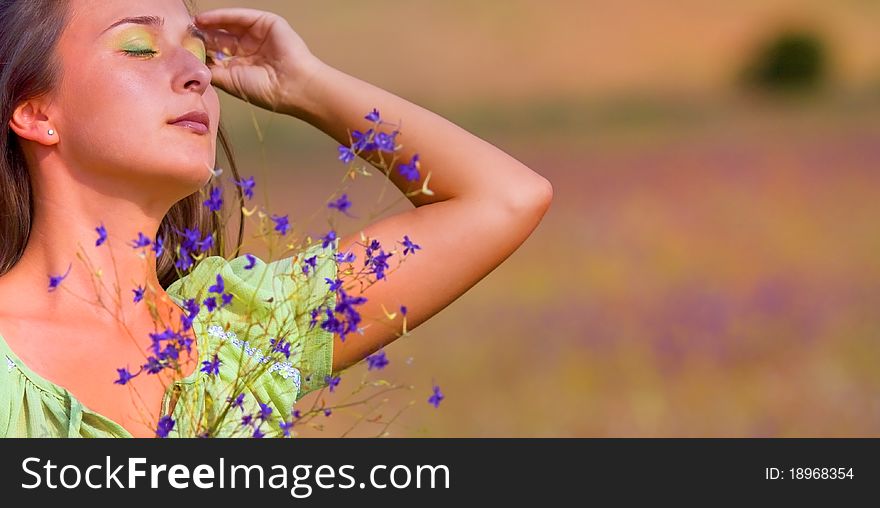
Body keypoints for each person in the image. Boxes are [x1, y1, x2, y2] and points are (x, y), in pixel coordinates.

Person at [0, 0, 553, 437]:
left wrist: (303, 85)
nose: (195, 73)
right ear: (34, 111)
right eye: (140, 48)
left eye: (200, 53)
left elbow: (505, 197)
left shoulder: (248, 329)